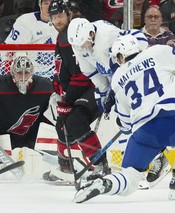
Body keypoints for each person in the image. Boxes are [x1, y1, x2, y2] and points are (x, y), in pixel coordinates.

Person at [73, 34, 175, 203]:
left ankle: (105, 184)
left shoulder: (118, 78)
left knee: (131, 178)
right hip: (172, 121)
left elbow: (126, 125)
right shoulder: (157, 52)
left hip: (143, 133)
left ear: (121, 56)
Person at [67, 17, 171, 188]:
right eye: (79, 46)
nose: (82, 48)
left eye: (85, 43)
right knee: (124, 124)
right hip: (119, 85)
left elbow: (140, 39)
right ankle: (140, 164)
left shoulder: (108, 34)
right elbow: (94, 74)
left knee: (138, 121)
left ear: (92, 34)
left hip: (136, 79)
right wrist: (103, 95)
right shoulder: (79, 44)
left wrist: (118, 83)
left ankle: (157, 157)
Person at [42, 0, 111, 184]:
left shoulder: (74, 35)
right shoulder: (61, 38)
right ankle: (65, 166)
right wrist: (58, 87)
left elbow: (82, 75)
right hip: (81, 89)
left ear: (69, 14)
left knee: (75, 121)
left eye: (60, 16)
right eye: (54, 17)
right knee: (62, 125)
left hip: (97, 86)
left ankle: (100, 164)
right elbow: (64, 69)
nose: (58, 20)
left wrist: (67, 99)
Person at [0, 53, 54, 150]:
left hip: (33, 137)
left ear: (32, 72)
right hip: (0, 136)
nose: (23, 77)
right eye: (20, 73)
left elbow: (60, 103)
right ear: (13, 72)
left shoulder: (46, 86)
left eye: (27, 73)